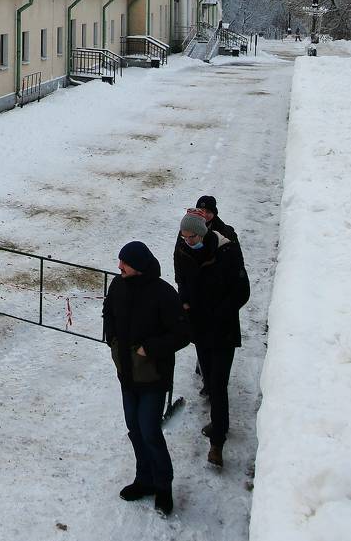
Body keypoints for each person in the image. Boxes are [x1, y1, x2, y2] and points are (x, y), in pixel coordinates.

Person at [104, 241, 190, 515]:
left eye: (124, 263)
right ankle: (145, 479)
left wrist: (150, 348)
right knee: (135, 429)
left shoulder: (163, 293)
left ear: (139, 266)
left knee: (150, 431)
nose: (119, 266)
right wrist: (112, 339)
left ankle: (163, 486)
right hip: (127, 374)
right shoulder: (118, 286)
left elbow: (182, 333)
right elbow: (108, 311)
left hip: (153, 376)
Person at [173, 212, 250, 468]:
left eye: (192, 237)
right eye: (184, 237)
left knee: (218, 384)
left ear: (203, 233)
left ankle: (217, 442)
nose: (188, 241)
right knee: (209, 379)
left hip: (223, 329)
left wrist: (219, 312)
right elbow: (182, 280)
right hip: (200, 329)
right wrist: (184, 301)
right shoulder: (183, 251)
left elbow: (242, 291)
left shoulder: (227, 251)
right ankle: (220, 424)